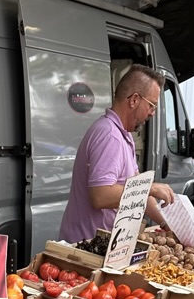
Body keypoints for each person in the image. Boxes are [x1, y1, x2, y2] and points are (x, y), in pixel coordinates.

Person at [59, 64, 176, 243]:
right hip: (85, 247)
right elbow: (101, 196)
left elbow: (137, 190)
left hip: (101, 244)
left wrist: (167, 223)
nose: (152, 113)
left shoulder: (123, 135)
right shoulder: (110, 136)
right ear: (134, 100)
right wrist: (151, 188)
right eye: (151, 106)